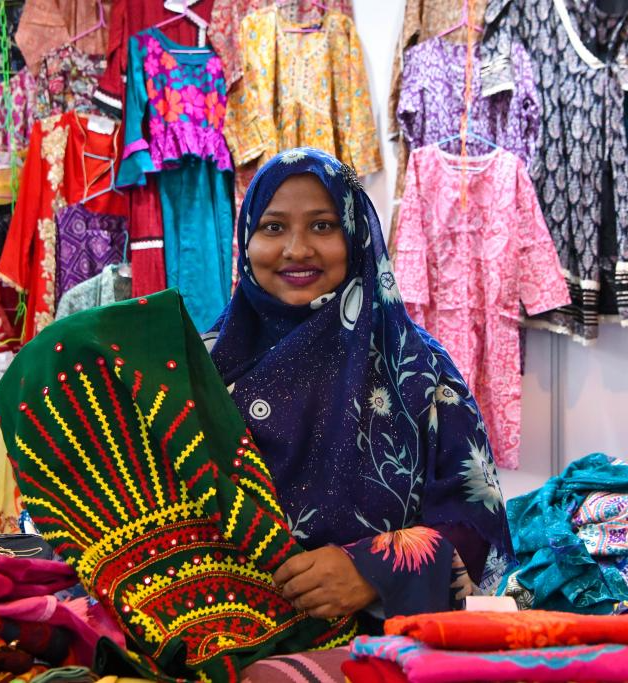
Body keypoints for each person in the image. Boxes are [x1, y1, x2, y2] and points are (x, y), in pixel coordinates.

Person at [205, 148, 514, 619]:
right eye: (273, 227)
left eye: (322, 225)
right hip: (219, 634)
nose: (297, 249)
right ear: (246, 240)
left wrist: (374, 570)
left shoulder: (419, 369)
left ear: (356, 235)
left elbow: (477, 530)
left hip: (382, 644)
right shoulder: (205, 368)